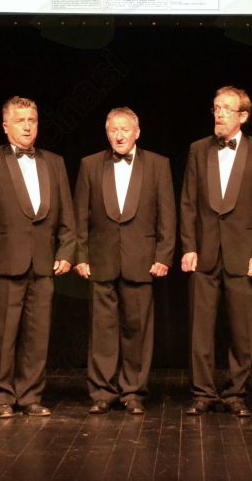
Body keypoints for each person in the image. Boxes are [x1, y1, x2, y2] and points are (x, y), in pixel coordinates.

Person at [0, 96, 76, 418]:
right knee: (2, 334)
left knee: (37, 334)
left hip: (43, 262)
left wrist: (66, 251)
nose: (27, 126)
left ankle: (30, 395)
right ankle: (0, 396)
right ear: (5, 126)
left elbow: (67, 214)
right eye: (20, 121)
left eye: (32, 120)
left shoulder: (54, 162)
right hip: (4, 261)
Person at [180, 86, 252, 417]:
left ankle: (236, 393)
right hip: (204, 252)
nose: (218, 114)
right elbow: (188, 203)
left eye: (226, 109)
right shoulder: (198, 149)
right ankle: (203, 393)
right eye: (216, 107)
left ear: (243, 116)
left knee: (242, 329)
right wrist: (189, 246)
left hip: (243, 253)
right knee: (200, 329)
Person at [73, 108, 175, 415]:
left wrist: (163, 255)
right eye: (113, 130)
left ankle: (133, 392)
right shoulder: (90, 164)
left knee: (137, 329)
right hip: (101, 259)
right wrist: (80, 255)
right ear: (107, 133)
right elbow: (80, 216)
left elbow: (167, 215)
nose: (119, 135)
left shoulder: (158, 164)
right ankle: (102, 392)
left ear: (137, 132)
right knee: (102, 329)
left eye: (125, 129)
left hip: (141, 260)